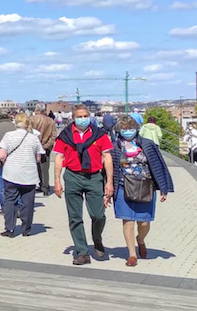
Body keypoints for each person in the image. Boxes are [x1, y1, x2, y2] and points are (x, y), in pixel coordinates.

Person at [53, 104, 114, 266]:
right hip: (73, 176)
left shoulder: (99, 135)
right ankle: (82, 252)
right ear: (73, 118)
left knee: (98, 215)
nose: (82, 119)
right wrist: (57, 181)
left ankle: (97, 239)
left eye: (85, 116)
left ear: (90, 116)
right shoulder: (65, 135)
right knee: (75, 217)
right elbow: (59, 158)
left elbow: (107, 157)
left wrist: (109, 182)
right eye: (79, 117)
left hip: (94, 177)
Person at [110, 115, 175, 267]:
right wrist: (107, 190)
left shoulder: (147, 144)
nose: (128, 131)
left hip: (145, 186)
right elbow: (109, 169)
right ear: (119, 130)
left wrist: (163, 188)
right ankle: (132, 254)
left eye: (131, 128)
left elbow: (158, 165)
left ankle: (141, 240)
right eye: (124, 129)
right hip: (122, 186)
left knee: (144, 222)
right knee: (128, 220)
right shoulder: (114, 147)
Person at [0, 114, 45, 237]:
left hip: (11, 173)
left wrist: (6, 161)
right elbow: (38, 158)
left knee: (10, 200)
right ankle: (26, 229)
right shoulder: (33, 138)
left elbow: (1, 155)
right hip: (29, 174)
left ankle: (10, 228)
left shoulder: (8, 136)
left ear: (15, 123)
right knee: (28, 203)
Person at [30, 104, 58, 196]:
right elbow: (54, 136)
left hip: (33, 147)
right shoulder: (51, 121)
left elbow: (28, 133)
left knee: (35, 167)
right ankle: (45, 188)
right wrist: (46, 145)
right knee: (45, 168)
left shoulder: (31, 119)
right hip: (46, 147)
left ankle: (40, 184)